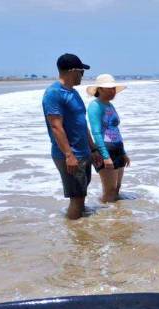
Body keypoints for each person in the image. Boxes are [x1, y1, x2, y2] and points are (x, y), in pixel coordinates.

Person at [42, 53, 97, 220]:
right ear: (73, 71)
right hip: (70, 155)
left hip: (83, 152)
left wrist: (92, 148)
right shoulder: (54, 93)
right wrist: (69, 155)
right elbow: (56, 126)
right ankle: (76, 238)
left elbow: (82, 123)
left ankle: (80, 230)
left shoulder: (73, 92)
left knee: (81, 194)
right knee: (77, 198)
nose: (83, 75)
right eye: (81, 71)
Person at [86, 74, 130, 203]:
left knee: (117, 188)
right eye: (109, 88)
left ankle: (116, 219)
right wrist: (105, 156)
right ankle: (106, 220)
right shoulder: (95, 106)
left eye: (113, 88)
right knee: (109, 191)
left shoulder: (110, 105)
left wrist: (124, 152)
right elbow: (96, 132)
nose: (112, 91)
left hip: (117, 149)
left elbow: (115, 130)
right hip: (106, 149)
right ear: (99, 89)